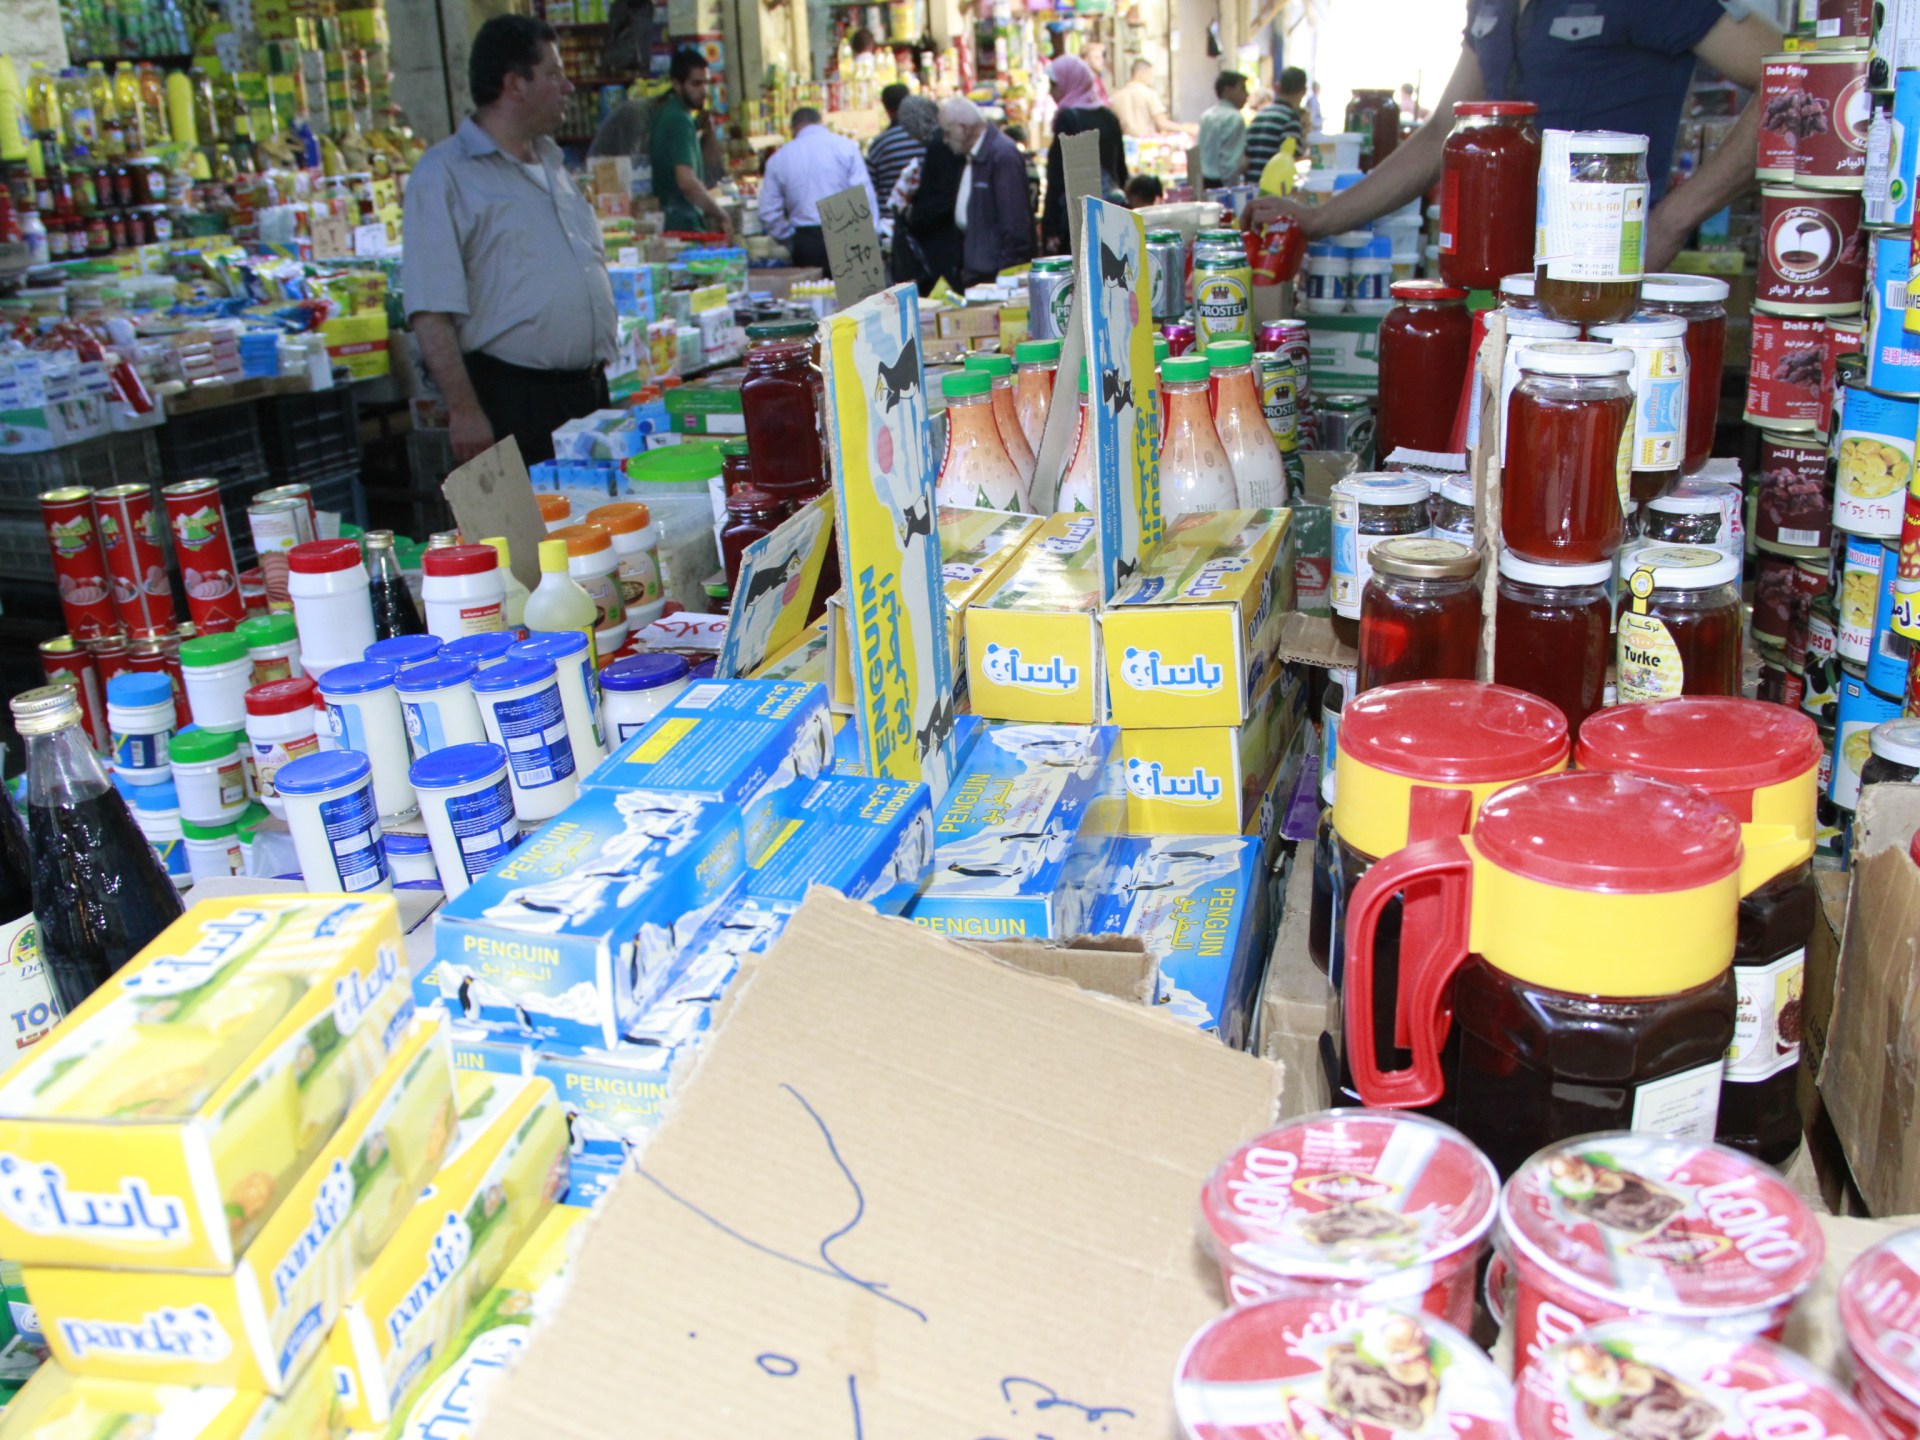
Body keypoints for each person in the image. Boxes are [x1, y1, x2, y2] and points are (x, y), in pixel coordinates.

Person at [1244, 1, 1782, 272]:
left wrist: (1672, 220)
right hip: (1500, 277)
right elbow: (1443, 132)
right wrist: (1318, 219)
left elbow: (1789, 75)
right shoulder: (1492, 5)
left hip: (1608, 275)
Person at [403, 15, 617, 467]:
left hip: (586, 395)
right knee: (527, 515)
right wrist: (464, 409)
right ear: (515, 84)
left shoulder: (552, 161)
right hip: (512, 401)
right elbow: (430, 311)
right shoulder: (444, 175)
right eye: (554, 74)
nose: (568, 87)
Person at [758, 106, 876, 274]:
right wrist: (872, 235)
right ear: (820, 122)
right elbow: (864, 196)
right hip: (849, 232)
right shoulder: (846, 147)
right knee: (855, 291)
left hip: (806, 240)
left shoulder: (779, 158)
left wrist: (789, 238)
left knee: (812, 289)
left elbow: (768, 212)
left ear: (793, 128)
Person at [937, 96, 1035, 288]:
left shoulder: (1002, 155)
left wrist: (1004, 279)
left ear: (964, 128)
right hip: (979, 274)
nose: (945, 140)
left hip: (993, 278)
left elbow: (1015, 226)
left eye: (947, 133)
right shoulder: (973, 156)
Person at [1040, 59, 1128, 252]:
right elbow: (1121, 171)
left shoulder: (1068, 119)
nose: (1051, 91)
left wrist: (1050, 226)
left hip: (1078, 219)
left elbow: (1058, 177)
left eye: (1054, 84)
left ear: (1069, 82)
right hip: (1109, 215)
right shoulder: (1108, 117)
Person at [650, 47, 730, 236]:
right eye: (696, 84)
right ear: (677, 84)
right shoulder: (680, 120)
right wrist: (721, 214)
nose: (704, 91)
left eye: (706, 83)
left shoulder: (667, 112)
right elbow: (686, 181)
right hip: (683, 225)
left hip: (669, 222)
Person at [897, 94, 963, 293]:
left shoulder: (938, 146)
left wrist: (914, 214)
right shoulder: (942, 142)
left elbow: (942, 197)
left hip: (941, 239)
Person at [865, 82, 920, 239]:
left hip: (890, 224)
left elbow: (868, 186)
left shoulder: (880, 144)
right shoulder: (925, 138)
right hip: (923, 221)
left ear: (886, 108)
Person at [1245, 65, 1308, 183]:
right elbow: (1291, 159)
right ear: (1303, 91)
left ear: (1278, 87)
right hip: (1273, 187)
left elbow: (1246, 157)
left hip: (1252, 185)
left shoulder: (1259, 116)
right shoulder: (1291, 119)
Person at [1110, 58, 1195, 138]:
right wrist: (1186, 128)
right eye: (1150, 75)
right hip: (1146, 143)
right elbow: (1162, 123)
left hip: (1125, 143)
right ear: (1141, 74)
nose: (1151, 79)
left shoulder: (1115, 97)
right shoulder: (1149, 94)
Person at [1197, 70, 1249, 189]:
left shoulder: (1206, 116)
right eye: (1242, 89)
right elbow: (1230, 163)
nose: (1247, 94)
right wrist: (1232, 188)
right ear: (1227, 90)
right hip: (1223, 184)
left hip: (1204, 180)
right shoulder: (1234, 118)